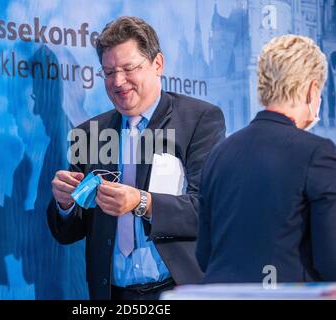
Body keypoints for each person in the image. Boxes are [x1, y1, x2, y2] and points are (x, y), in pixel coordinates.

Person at [47, 16, 226, 300]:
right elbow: (68, 232)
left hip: (179, 289)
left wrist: (142, 202)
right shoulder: (89, 133)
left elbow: (208, 210)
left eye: (129, 68)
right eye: (108, 72)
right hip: (112, 294)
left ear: (158, 64)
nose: (118, 82)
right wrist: (66, 203)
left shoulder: (199, 120)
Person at [196, 34, 336, 284]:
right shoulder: (318, 153)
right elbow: (330, 260)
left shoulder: (219, 153)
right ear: (312, 90)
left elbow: (205, 256)